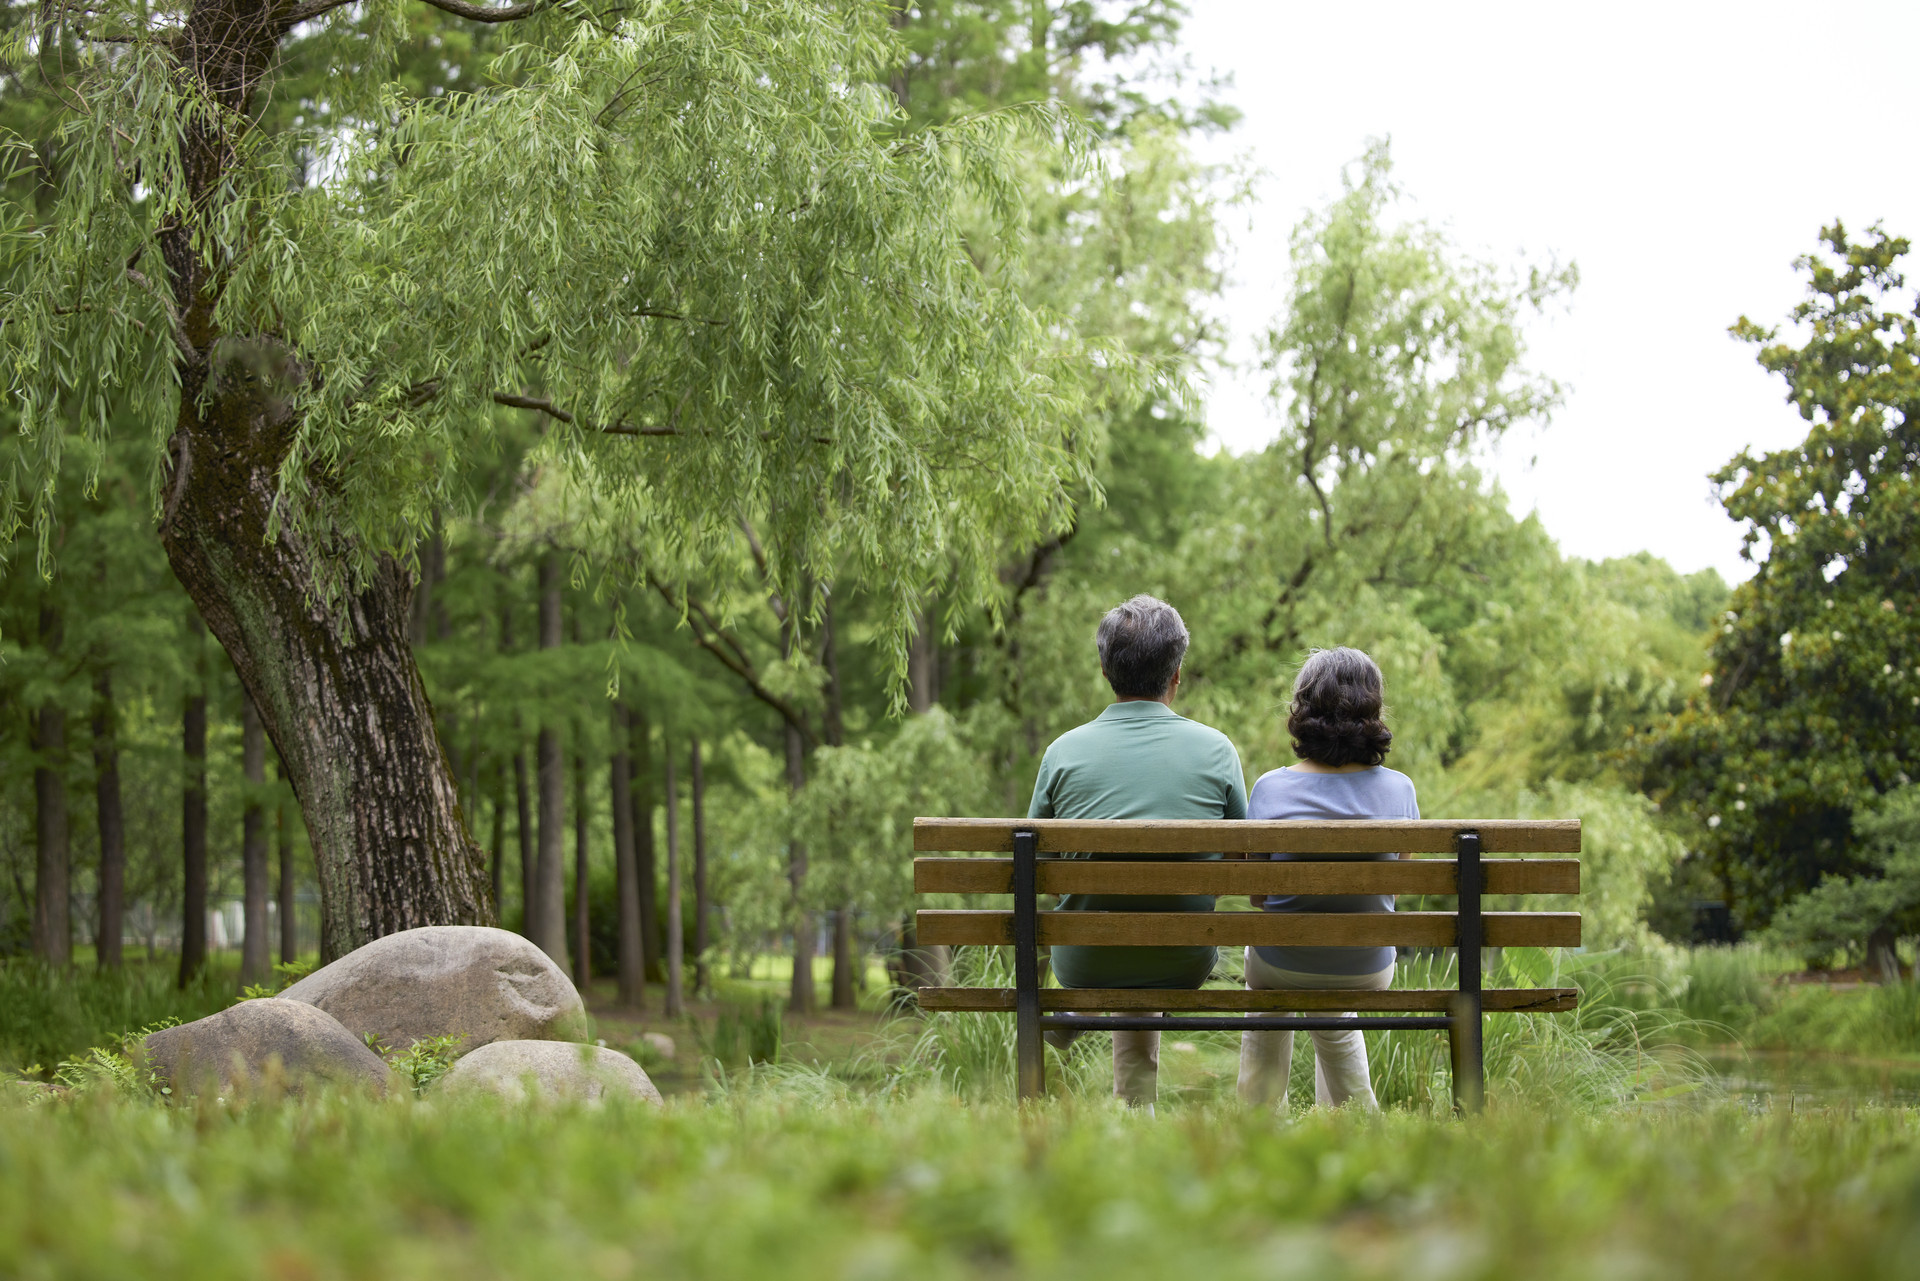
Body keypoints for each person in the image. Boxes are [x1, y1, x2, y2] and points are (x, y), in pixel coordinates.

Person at [1027, 594, 1247, 1110]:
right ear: (1177, 674)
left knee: (1115, 923)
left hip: (1084, 962)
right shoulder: (1216, 750)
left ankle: (1110, 1061)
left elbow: (1034, 867)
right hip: (1181, 961)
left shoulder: (1063, 752)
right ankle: (1134, 1108)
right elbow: (1243, 864)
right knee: (1154, 927)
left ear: (1105, 670)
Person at [1238, 646, 1417, 1112]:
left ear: (1302, 710)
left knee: (1267, 960)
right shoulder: (1399, 790)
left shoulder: (1270, 788)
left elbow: (1259, 897)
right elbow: (1391, 890)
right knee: (1333, 981)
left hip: (1281, 962)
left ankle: (1258, 1115)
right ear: (1373, 711)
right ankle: (1353, 1117)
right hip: (1367, 967)